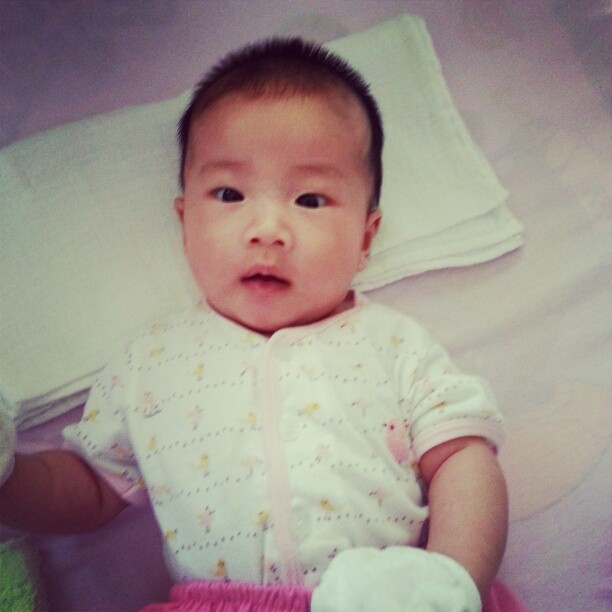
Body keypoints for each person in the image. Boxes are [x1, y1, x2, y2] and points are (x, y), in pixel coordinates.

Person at [0, 38, 512, 611]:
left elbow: (464, 459)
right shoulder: (152, 362)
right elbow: (89, 487)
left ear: (366, 237)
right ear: (185, 222)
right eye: (229, 194)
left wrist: (451, 581)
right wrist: (8, 476)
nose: (267, 229)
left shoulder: (396, 345)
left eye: (310, 200)